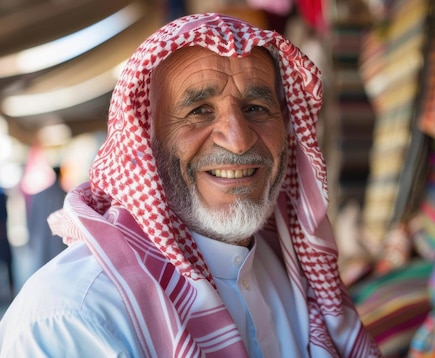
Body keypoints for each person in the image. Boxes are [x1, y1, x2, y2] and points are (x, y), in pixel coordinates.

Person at [0, 13, 381, 357]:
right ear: (146, 143)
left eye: (256, 108)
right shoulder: (72, 316)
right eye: (199, 111)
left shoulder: (289, 271)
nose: (238, 140)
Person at [25, 166, 67, 273]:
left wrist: (31, 237)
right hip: (57, 239)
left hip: (42, 237)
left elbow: (32, 218)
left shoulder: (39, 195)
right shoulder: (65, 195)